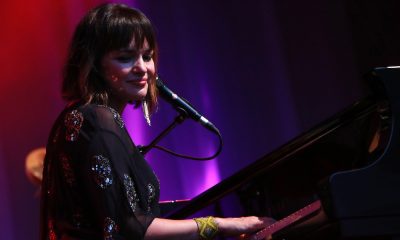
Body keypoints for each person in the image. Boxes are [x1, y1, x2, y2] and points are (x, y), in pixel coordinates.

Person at [40, 3, 274, 239]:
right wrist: (218, 225)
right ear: (94, 64)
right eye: (125, 57)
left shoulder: (76, 116)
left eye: (147, 56)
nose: (142, 68)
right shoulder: (98, 119)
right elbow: (132, 227)